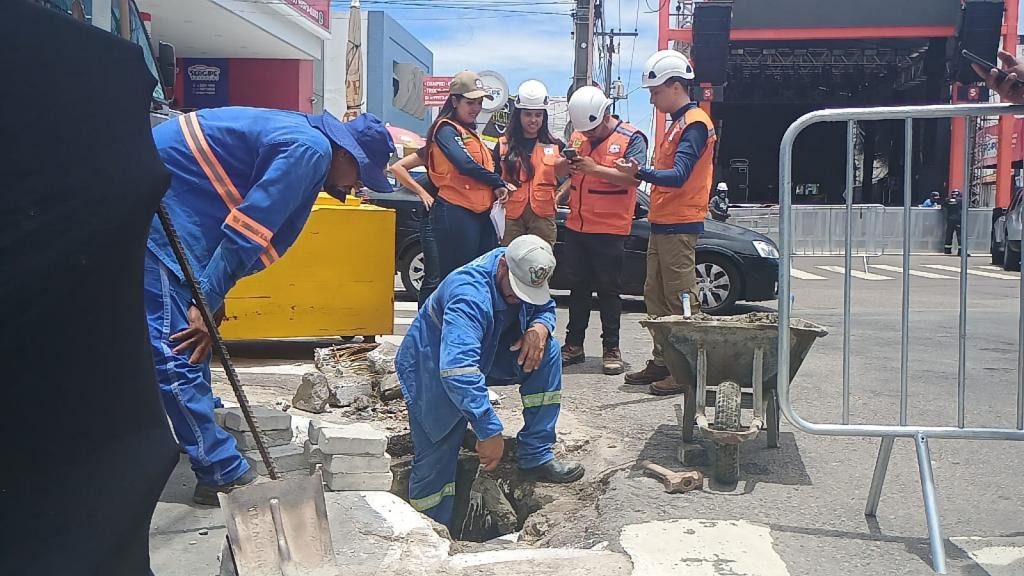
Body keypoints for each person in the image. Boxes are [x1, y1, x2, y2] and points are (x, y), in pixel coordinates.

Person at [146, 108, 395, 505]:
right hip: (165, 216)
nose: (358, 186)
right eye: (362, 175)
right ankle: (220, 472)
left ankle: (205, 429)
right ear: (347, 155)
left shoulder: (305, 140)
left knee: (191, 340)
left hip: (181, 207)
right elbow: (250, 229)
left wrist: (213, 293)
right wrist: (205, 300)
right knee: (177, 346)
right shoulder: (310, 151)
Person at [396, 235, 585, 528]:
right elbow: (458, 369)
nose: (521, 300)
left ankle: (535, 453)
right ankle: (429, 529)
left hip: (490, 350)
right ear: (501, 268)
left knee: (548, 352)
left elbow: (543, 305)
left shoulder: (525, 266)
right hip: (432, 367)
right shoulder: (468, 295)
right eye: (515, 294)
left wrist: (539, 327)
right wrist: (488, 430)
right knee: (437, 457)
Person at [616, 49, 717, 396]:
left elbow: (678, 175)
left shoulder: (695, 125)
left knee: (680, 299)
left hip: (680, 224)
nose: (652, 98)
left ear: (675, 86)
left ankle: (687, 369)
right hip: (664, 223)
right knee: (655, 296)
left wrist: (638, 172)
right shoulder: (677, 124)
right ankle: (663, 360)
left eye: (655, 91)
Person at [559, 86, 648, 376]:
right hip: (577, 226)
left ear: (607, 113)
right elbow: (573, 175)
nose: (589, 136)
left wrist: (594, 168)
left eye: (593, 130)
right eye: (585, 131)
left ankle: (612, 348)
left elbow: (633, 179)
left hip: (610, 229)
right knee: (578, 289)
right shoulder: (579, 136)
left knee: (609, 291)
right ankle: (574, 345)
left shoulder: (631, 138)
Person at [427, 71, 514, 279]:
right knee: (458, 277)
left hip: (480, 213)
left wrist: (496, 187)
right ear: (455, 101)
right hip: (456, 210)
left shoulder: (471, 134)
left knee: (480, 275)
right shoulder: (446, 129)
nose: (476, 108)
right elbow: (464, 164)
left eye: (479, 102)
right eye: (470, 102)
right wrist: (497, 181)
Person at [493, 80, 564, 246]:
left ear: (544, 117)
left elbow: (573, 174)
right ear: (519, 116)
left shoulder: (556, 145)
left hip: (543, 216)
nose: (533, 120)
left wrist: (560, 193)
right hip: (510, 216)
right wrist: (497, 188)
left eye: (538, 115)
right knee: (508, 263)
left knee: (540, 264)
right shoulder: (503, 144)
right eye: (528, 114)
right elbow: (493, 175)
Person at [390, 148, 441, 307]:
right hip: (433, 218)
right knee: (433, 277)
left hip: (457, 219)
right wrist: (422, 193)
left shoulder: (467, 149)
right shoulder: (435, 148)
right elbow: (397, 167)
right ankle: (424, 325)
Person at [943, 188, 964, 256]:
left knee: (949, 235)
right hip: (958, 220)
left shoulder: (947, 200)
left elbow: (943, 206)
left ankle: (947, 250)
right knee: (960, 236)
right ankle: (961, 251)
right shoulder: (961, 201)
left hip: (950, 220)